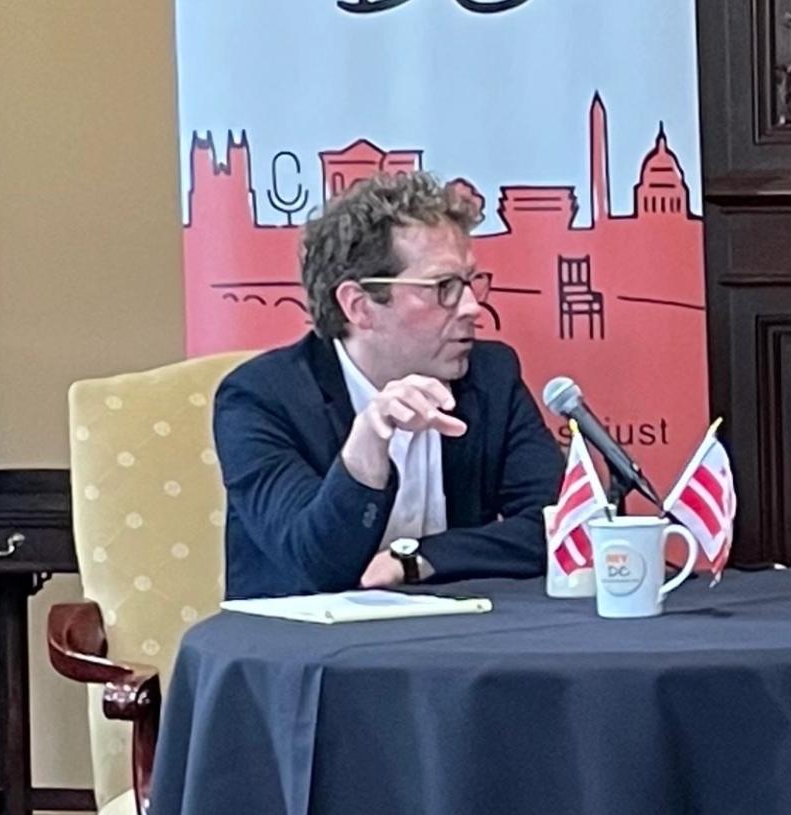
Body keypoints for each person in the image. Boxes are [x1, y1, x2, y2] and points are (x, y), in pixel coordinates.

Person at [214, 171, 563, 598]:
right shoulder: (261, 398)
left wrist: (417, 559)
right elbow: (313, 563)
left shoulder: (491, 376)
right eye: (444, 287)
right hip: (307, 654)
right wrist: (365, 452)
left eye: (470, 282)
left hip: (456, 645)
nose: (473, 306)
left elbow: (560, 525)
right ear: (360, 307)